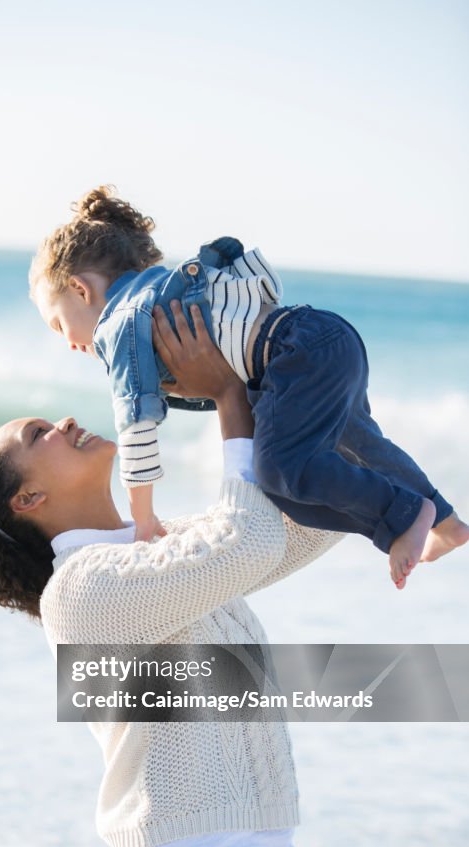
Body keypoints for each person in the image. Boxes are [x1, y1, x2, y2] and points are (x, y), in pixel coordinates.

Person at [0, 304, 345, 847]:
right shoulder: (82, 593)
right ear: (30, 498)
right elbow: (245, 544)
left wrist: (304, 378)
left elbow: (299, 529)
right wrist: (226, 399)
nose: (59, 421)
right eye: (37, 435)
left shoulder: (152, 552)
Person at [29, 185, 468, 587]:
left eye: (58, 324)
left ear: (80, 289)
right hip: (321, 334)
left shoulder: (119, 326)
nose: (69, 343)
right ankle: (445, 522)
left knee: (279, 471)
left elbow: (136, 426)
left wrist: (142, 520)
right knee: (360, 446)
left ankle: (405, 513)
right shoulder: (155, 291)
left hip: (292, 356)